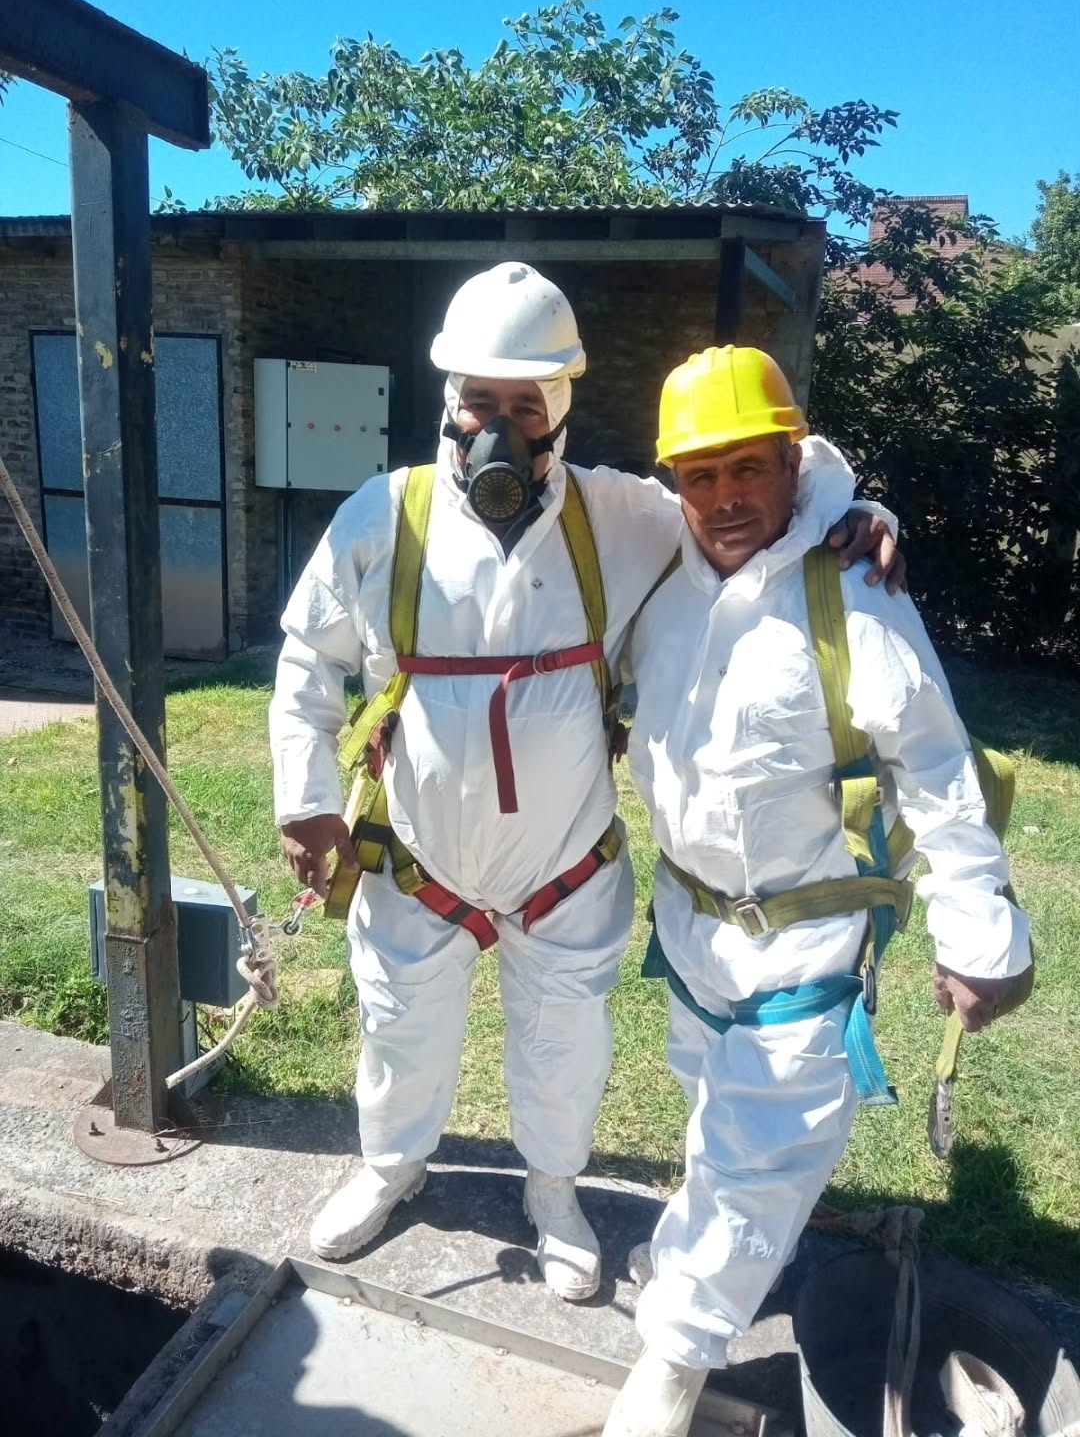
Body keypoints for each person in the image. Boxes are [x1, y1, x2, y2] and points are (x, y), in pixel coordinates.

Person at [268, 265, 902, 1302]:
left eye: (526, 406)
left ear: (562, 407)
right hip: (417, 859)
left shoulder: (621, 517)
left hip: (564, 866)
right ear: (449, 398)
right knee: (399, 1031)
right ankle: (390, 1168)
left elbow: (748, 488)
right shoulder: (385, 518)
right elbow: (307, 660)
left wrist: (851, 506)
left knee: (564, 1046)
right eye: (480, 401)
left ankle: (554, 1192)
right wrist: (304, 801)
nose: (499, 430)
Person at [601, 345, 1034, 1436]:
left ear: (794, 463)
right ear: (672, 483)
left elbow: (935, 768)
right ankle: (715, 1258)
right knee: (715, 1114)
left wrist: (981, 930)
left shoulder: (855, 595)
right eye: (700, 475)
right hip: (693, 931)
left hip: (807, 940)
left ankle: (674, 1359)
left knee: (763, 1152)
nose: (725, 498)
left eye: (749, 467)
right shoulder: (659, 576)